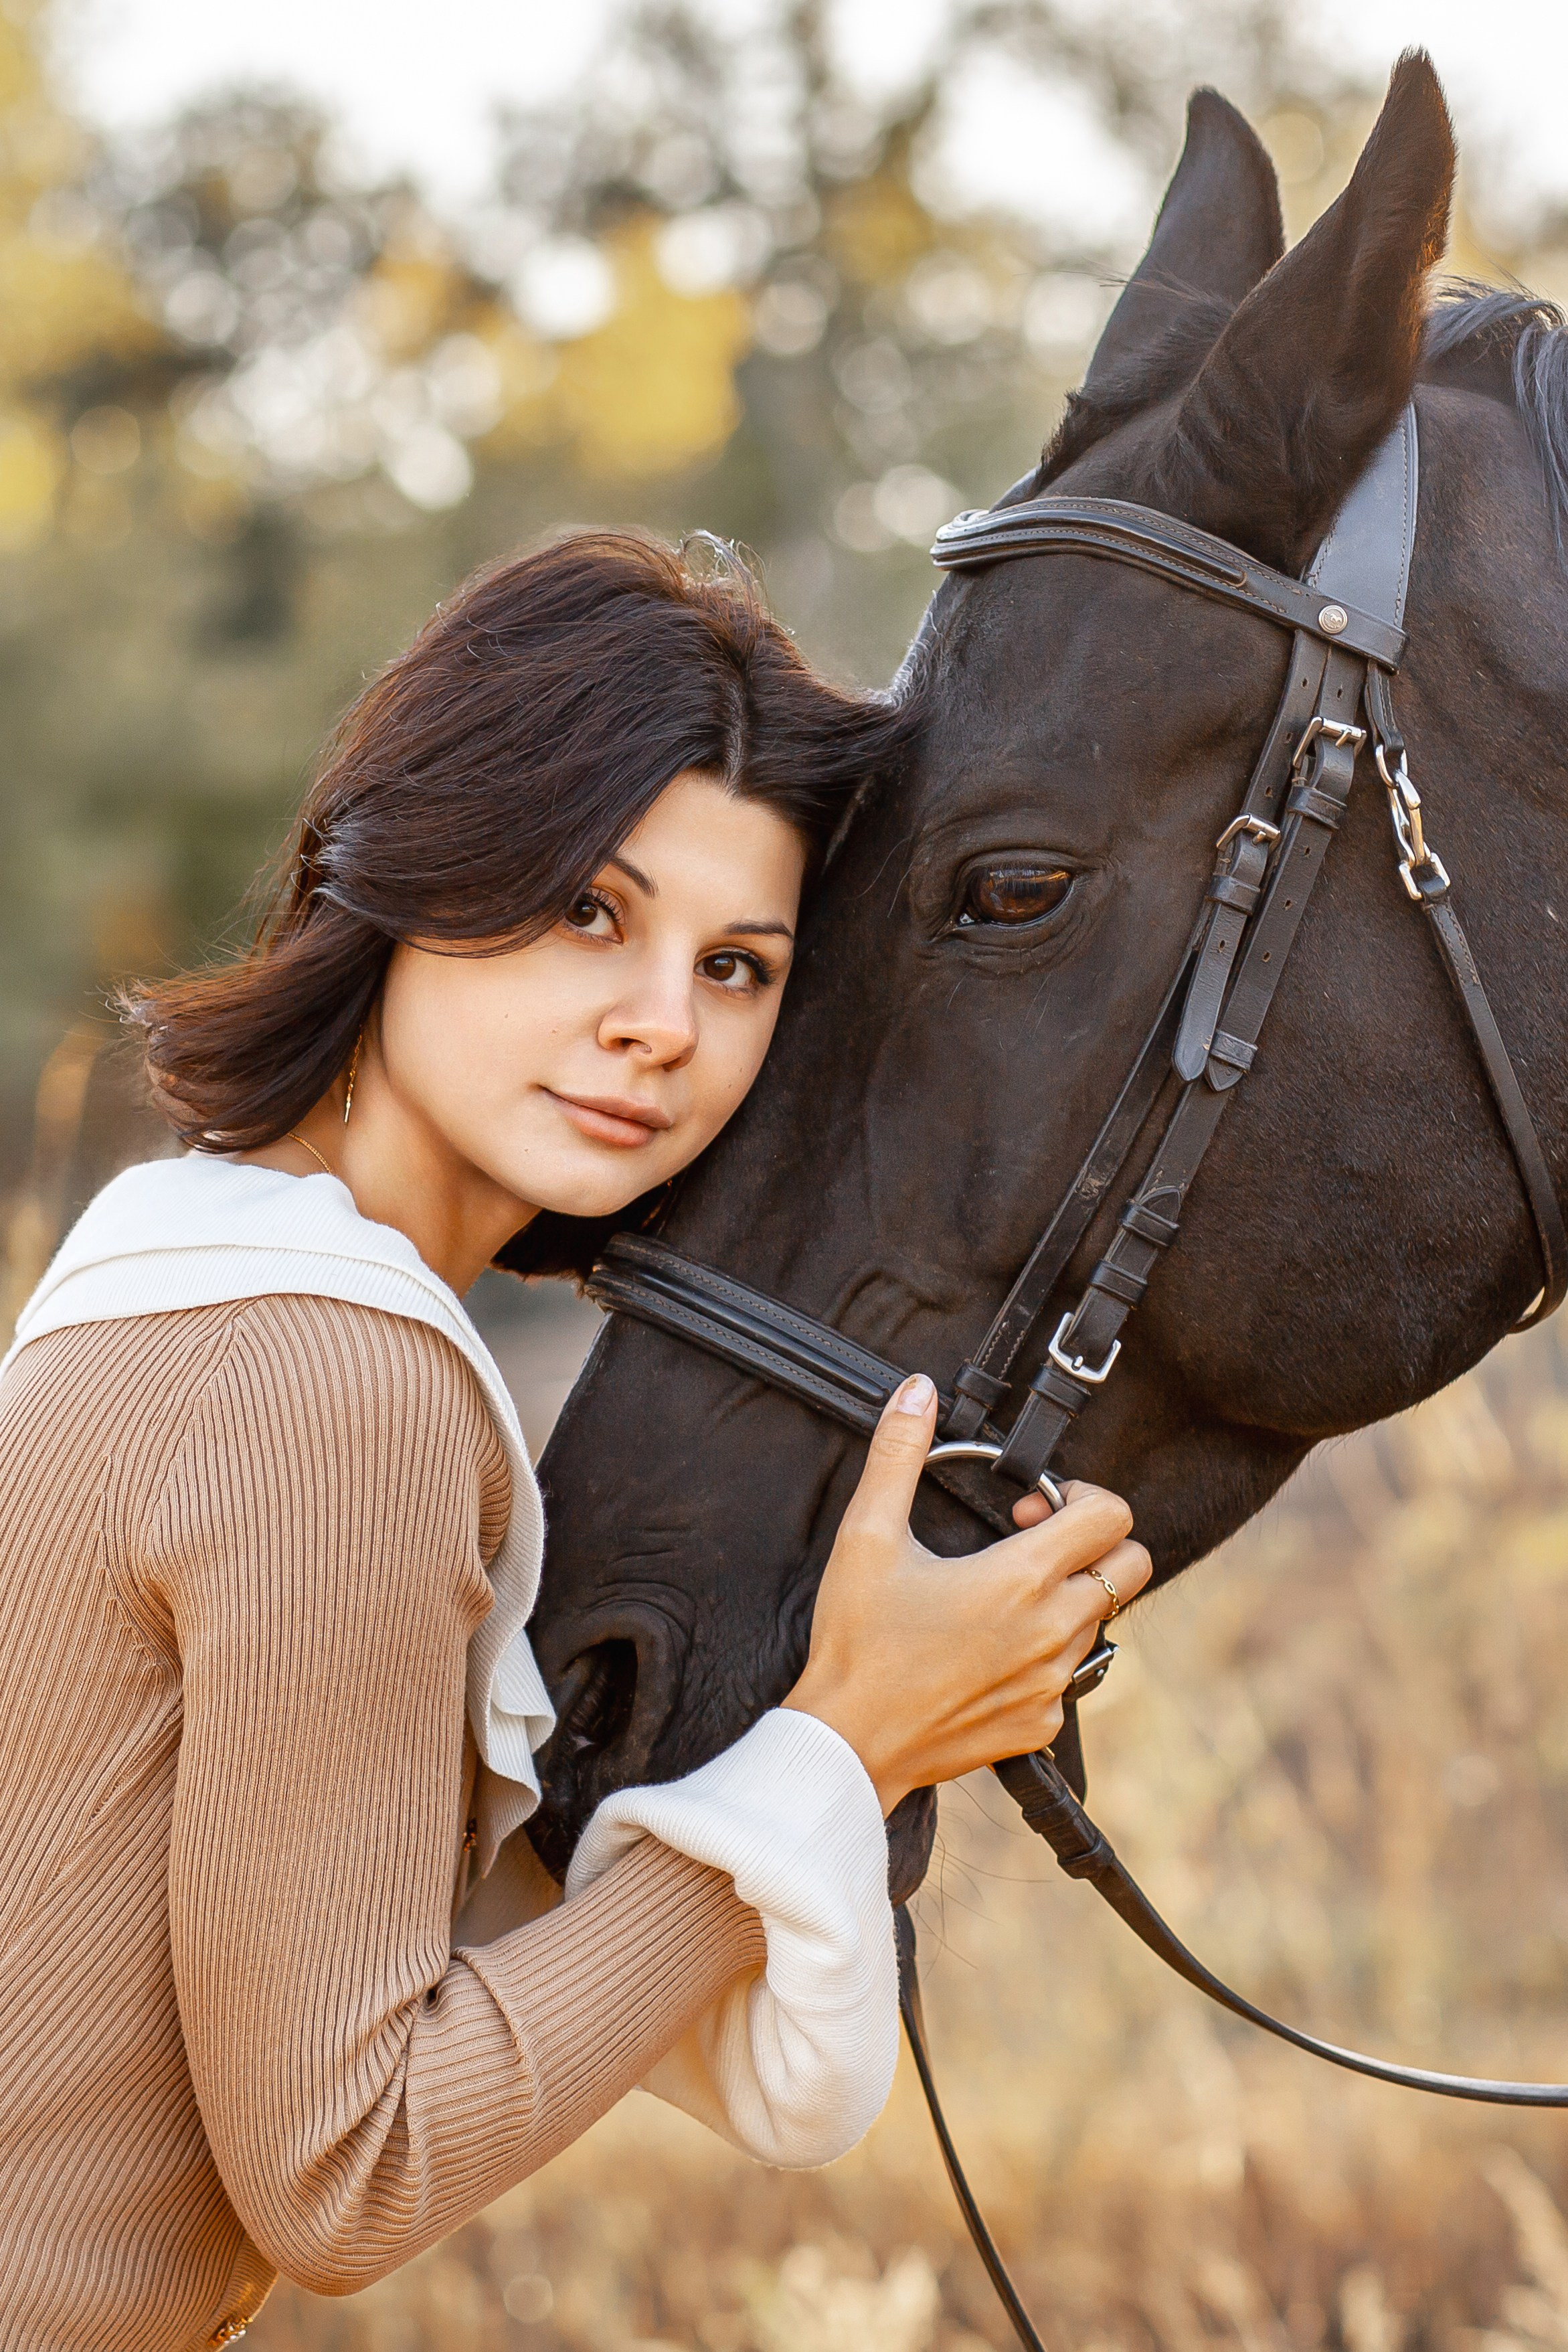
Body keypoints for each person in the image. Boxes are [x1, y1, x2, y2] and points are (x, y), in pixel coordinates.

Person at [0, 530, 1148, 2350]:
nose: (660, 1028)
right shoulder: (327, 1385)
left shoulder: (189, 1285)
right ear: (408, 865)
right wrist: (842, 1749)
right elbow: (345, 2164)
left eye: (744, 964)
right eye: (589, 912)